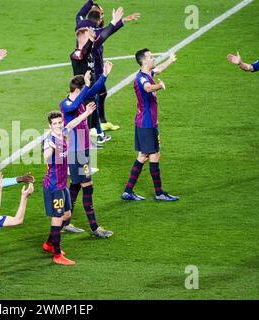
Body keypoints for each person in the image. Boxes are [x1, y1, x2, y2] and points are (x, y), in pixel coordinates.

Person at [60, 62, 114, 237]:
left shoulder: (80, 97)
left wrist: (104, 75)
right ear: (78, 90)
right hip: (75, 152)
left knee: (75, 185)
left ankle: (64, 222)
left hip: (83, 149)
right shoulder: (66, 105)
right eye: (83, 90)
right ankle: (94, 228)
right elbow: (75, 107)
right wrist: (86, 86)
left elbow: (93, 90)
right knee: (87, 186)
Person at [42, 102, 97, 265]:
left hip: (62, 184)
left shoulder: (63, 132)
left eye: (60, 122)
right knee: (58, 218)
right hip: (53, 186)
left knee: (67, 214)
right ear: (50, 125)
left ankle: (49, 243)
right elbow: (45, 157)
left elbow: (72, 123)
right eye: (55, 124)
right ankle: (57, 255)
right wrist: (51, 148)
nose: (58, 125)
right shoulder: (49, 140)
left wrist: (86, 113)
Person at [121, 49, 179, 202]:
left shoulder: (148, 73)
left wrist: (170, 60)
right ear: (144, 61)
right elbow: (147, 88)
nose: (154, 58)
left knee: (145, 156)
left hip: (147, 122)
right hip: (146, 124)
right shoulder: (141, 78)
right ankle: (158, 193)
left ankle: (129, 191)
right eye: (151, 57)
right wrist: (159, 86)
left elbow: (158, 69)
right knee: (152, 155)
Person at [76, 1, 139, 131]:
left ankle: (98, 126)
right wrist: (115, 21)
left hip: (92, 71)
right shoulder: (93, 34)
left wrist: (91, 2)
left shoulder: (81, 24)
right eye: (102, 14)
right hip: (91, 72)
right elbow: (105, 33)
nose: (103, 16)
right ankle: (90, 128)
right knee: (89, 99)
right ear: (98, 19)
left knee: (99, 95)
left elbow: (81, 15)